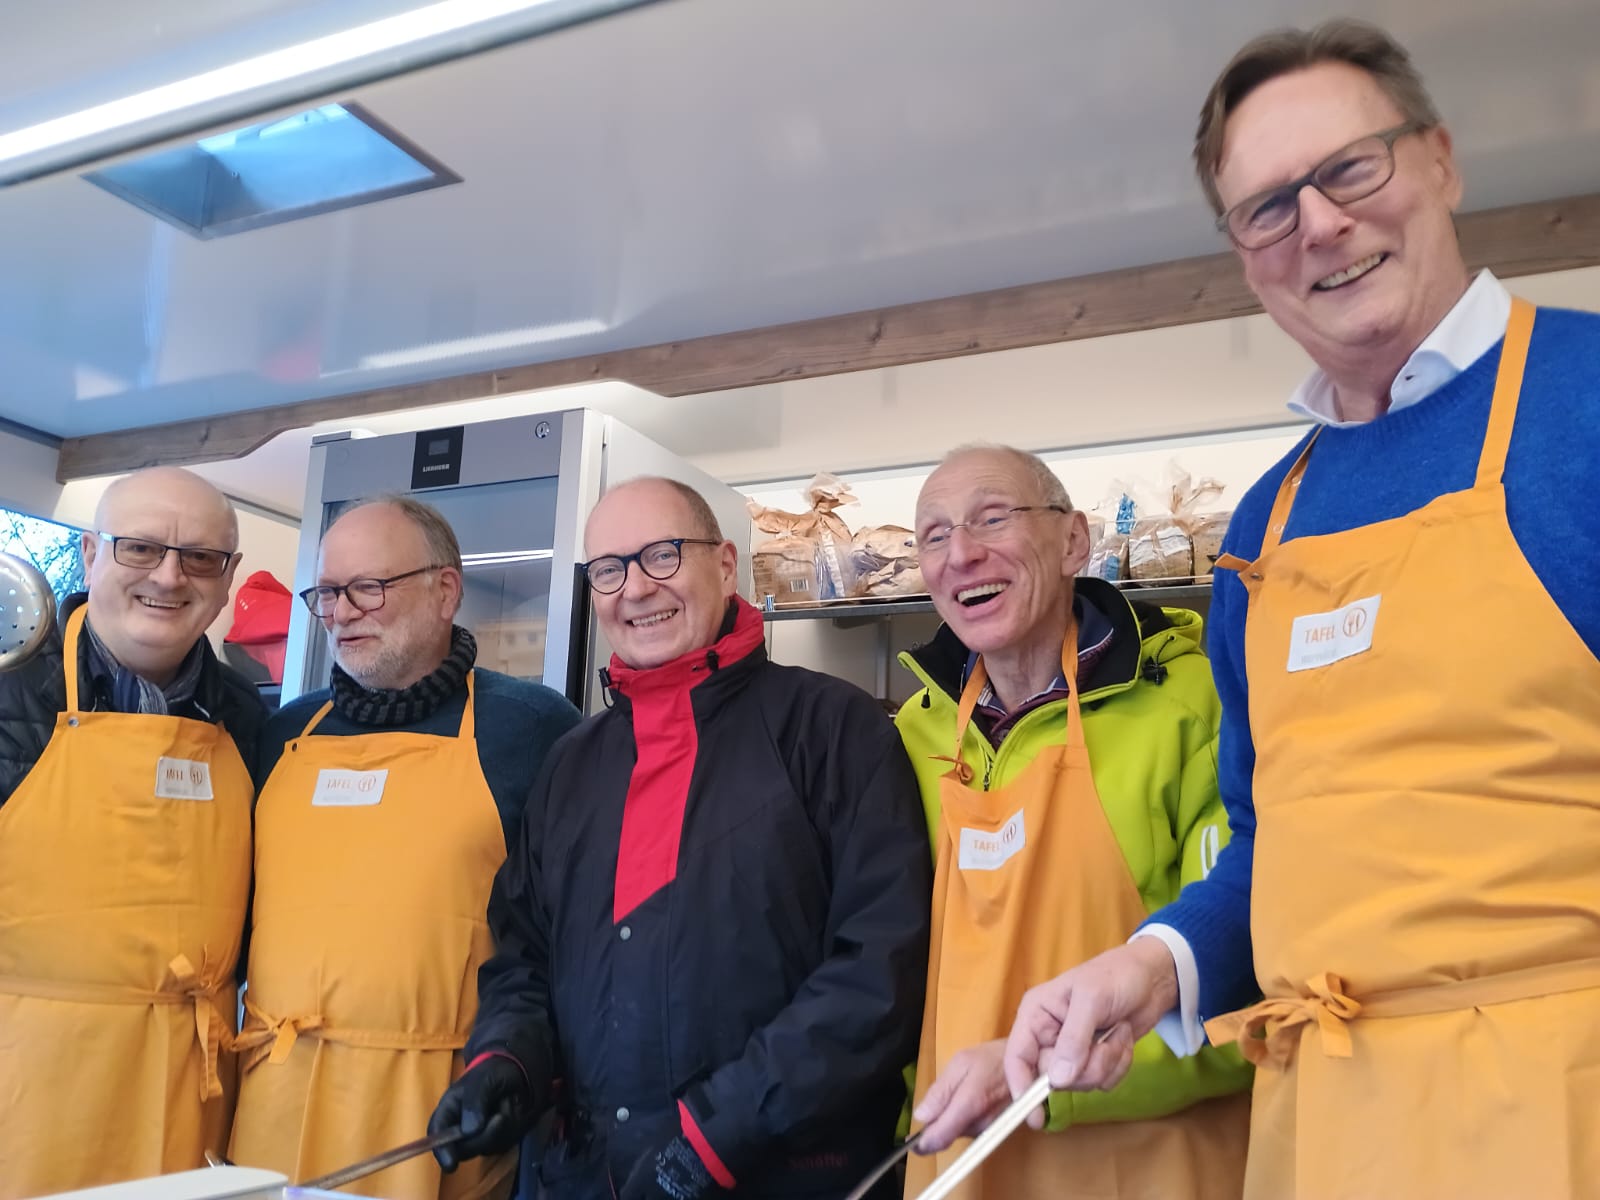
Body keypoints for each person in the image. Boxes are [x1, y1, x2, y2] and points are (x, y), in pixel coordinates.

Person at [1003, 20, 1600, 1200]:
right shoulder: (1263, 526)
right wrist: (1154, 966)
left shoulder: (1584, 403)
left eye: (1349, 169)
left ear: (1439, 162)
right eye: (1267, 206)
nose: (1318, 223)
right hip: (1320, 1133)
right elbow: (1273, 843)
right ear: (1243, 254)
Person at [426, 476, 933, 1199]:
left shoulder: (834, 730)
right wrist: (506, 1060)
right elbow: (524, 957)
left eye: (662, 555)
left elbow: (880, 970)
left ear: (725, 566)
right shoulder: (572, 763)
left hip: (781, 1176)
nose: (635, 588)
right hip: (587, 1178)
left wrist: (722, 1135)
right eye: (609, 569)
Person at [895, 445, 1250, 1199]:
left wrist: (1037, 1077)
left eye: (993, 518)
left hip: (1147, 1169)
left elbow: (1244, 982)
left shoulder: (1191, 708)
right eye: (934, 535)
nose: (961, 553)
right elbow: (891, 975)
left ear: (1073, 541)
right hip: (955, 1160)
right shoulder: (913, 734)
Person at [229, 497, 581, 1200]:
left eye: (368, 587)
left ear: (445, 591)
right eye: (328, 593)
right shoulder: (285, 732)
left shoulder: (533, 730)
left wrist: (522, 1065)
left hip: (443, 1113)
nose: (342, 612)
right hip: (272, 1099)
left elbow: (567, 942)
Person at [0, 467, 265, 1198]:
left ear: (228, 577)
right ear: (91, 554)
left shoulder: (249, 720)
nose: (170, 577)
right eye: (141, 548)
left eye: (200, 557)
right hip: (26, 1098)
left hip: (187, 1106)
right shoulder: (9, 696)